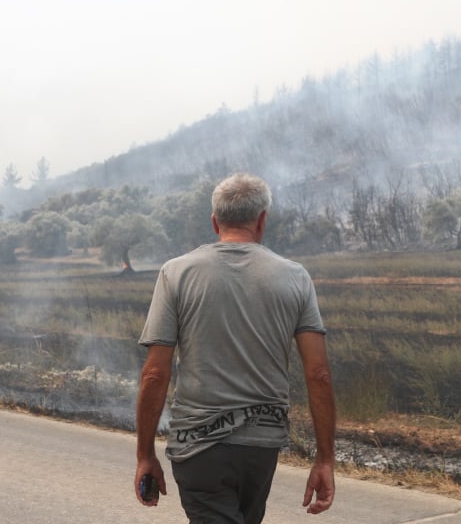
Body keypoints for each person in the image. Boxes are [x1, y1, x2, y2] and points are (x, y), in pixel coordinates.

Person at [134, 172, 336, 523]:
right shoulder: (295, 277)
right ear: (262, 221)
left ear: (215, 222)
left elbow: (154, 374)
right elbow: (317, 374)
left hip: (198, 448)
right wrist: (324, 460)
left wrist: (144, 455)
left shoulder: (176, 273)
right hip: (262, 448)